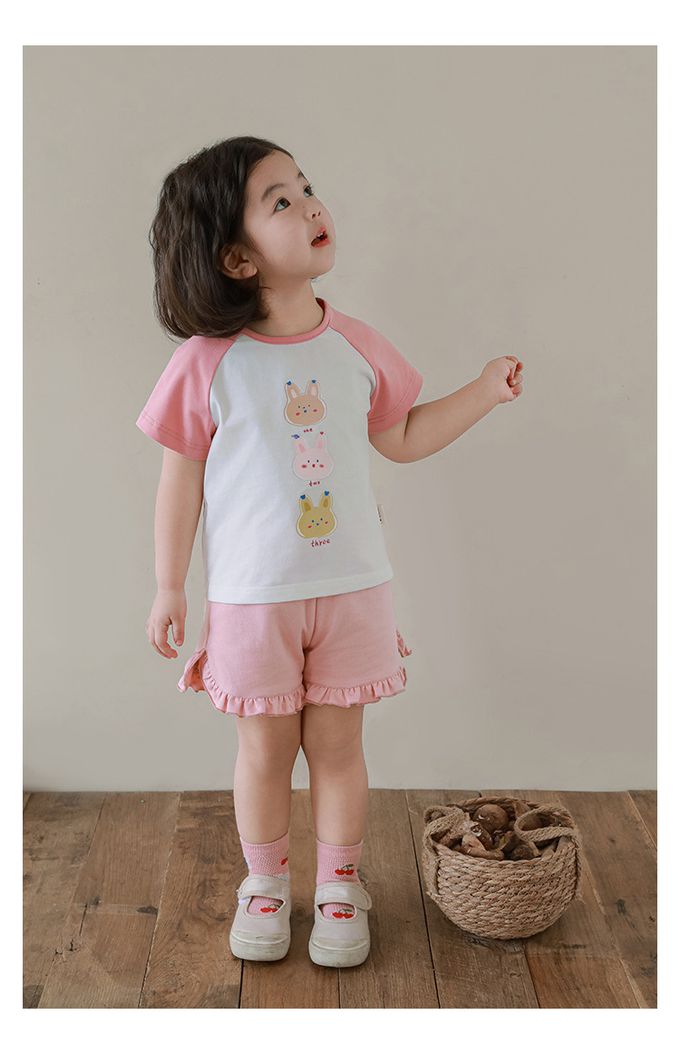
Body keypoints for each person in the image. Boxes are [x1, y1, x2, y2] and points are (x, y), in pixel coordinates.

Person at [136, 135, 525, 968]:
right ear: (236, 258)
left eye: (305, 187)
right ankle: (266, 884)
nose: (311, 204)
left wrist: (483, 392)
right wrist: (170, 586)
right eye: (280, 200)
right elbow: (180, 479)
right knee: (263, 752)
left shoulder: (355, 345)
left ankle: (342, 886)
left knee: (341, 750)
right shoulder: (206, 365)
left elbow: (404, 436)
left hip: (353, 590)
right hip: (252, 600)